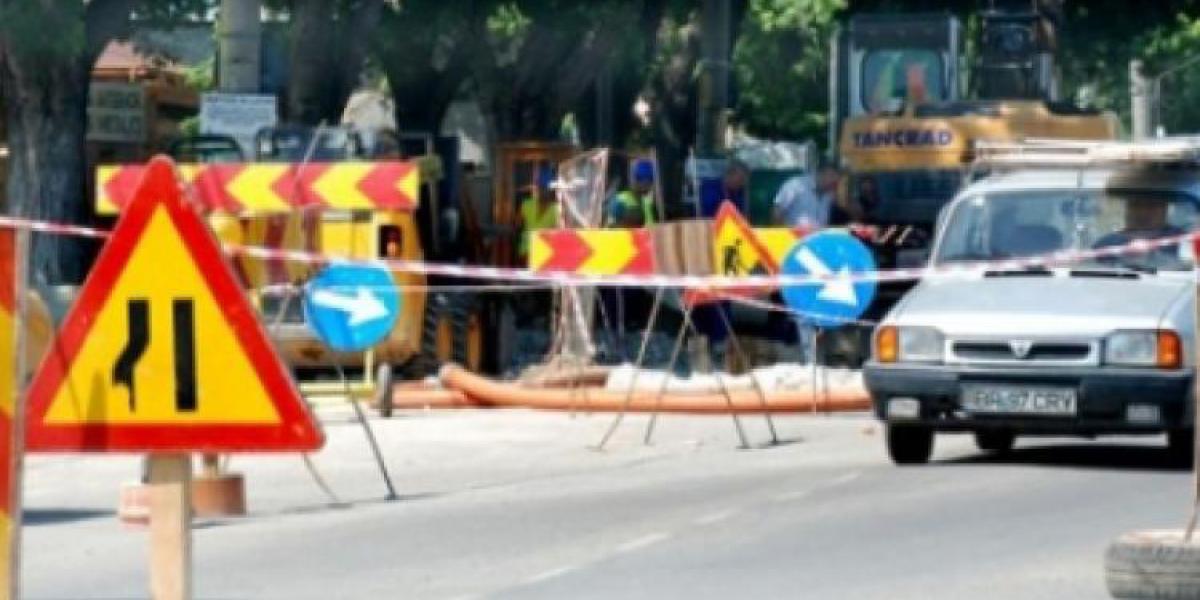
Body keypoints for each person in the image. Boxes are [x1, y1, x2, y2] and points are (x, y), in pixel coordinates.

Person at [772, 164, 844, 230]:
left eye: (836, 179)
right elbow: (777, 211)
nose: (833, 181)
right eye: (831, 176)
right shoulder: (795, 185)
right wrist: (783, 234)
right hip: (793, 237)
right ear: (820, 174)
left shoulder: (829, 195)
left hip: (818, 237)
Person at [516, 165, 560, 263]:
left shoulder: (526, 204)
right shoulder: (557, 209)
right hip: (543, 251)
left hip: (530, 249)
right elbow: (558, 231)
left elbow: (517, 224)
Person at [609, 159, 657, 227]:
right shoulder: (620, 201)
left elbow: (650, 226)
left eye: (650, 181)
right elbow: (611, 228)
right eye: (643, 181)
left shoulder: (647, 203)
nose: (647, 185)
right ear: (634, 180)